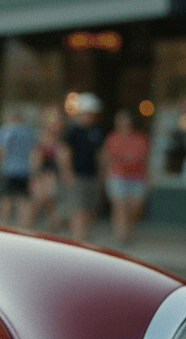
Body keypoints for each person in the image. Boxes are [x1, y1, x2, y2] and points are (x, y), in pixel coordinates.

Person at [59, 93, 105, 241]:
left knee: (90, 208)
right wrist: (67, 172)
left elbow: (100, 154)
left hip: (91, 175)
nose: (89, 116)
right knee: (77, 208)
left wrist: (101, 174)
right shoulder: (72, 131)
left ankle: (84, 236)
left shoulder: (96, 131)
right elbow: (64, 153)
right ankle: (78, 238)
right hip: (76, 175)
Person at [102, 109, 150, 244]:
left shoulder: (141, 138)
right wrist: (106, 175)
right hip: (118, 175)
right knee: (120, 206)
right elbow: (107, 158)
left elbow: (145, 160)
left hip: (137, 177)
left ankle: (124, 230)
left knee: (133, 207)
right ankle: (121, 235)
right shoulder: (112, 138)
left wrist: (148, 178)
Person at [0, 106, 37, 226]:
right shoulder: (28, 131)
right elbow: (34, 152)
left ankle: (2, 226)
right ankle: (25, 227)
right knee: (23, 200)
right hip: (25, 170)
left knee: (6, 199)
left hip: (9, 170)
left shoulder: (5, 131)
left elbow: (0, 152)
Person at [28, 106, 66, 232]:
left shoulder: (57, 139)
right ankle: (28, 228)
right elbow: (36, 160)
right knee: (39, 203)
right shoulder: (43, 138)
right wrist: (37, 177)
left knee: (51, 205)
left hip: (51, 175)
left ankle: (51, 230)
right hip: (43, 176)